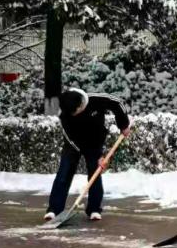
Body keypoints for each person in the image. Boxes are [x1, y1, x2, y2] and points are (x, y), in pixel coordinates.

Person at [44, 88, 130, 222]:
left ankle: (94, 209)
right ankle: (54, 209)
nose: (75, 114)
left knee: (95, 172)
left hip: (94, 142)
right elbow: (69, 136)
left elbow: (117, 102)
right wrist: (91, 153)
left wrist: (123, 124)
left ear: (80, 105)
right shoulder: (64, 111)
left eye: (76, 111)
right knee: (64, 173)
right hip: (73, 144)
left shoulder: (95, 99)